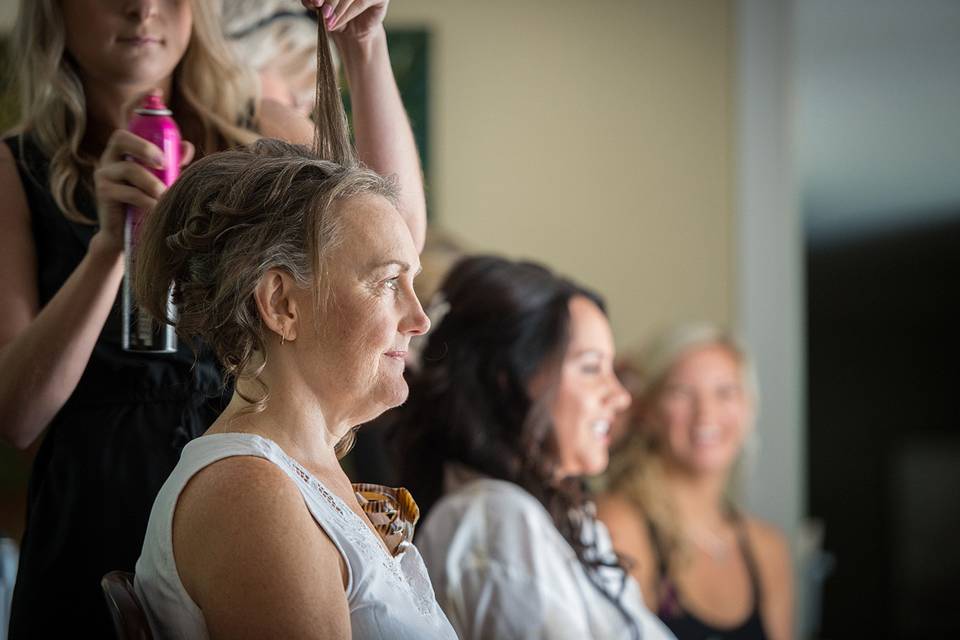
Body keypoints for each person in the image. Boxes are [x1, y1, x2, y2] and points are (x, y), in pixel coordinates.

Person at [0, 0, 424, 635]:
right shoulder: (18, 167)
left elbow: (390, 242)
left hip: (253, 453)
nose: (143, 9)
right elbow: (18, 413)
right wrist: (106, 252)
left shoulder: (257, 130)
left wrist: (365, 47)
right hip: (95, 491)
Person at [132, 137, 453, 637]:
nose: (419, 319)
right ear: (282, 304)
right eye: (389, 281)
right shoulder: (249, 495)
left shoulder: (307, 475)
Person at [389, 255, 676, 640]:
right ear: (509, 380)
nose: (620, 397)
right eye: (591, 368)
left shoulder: (566, 519)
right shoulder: (497, 520)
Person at [597, 325, 794, 640]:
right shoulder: (618, 526)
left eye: (725, 392)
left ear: (748, 409)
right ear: (649, 411)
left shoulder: (768, 549)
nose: (706, 414)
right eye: (681, 392)